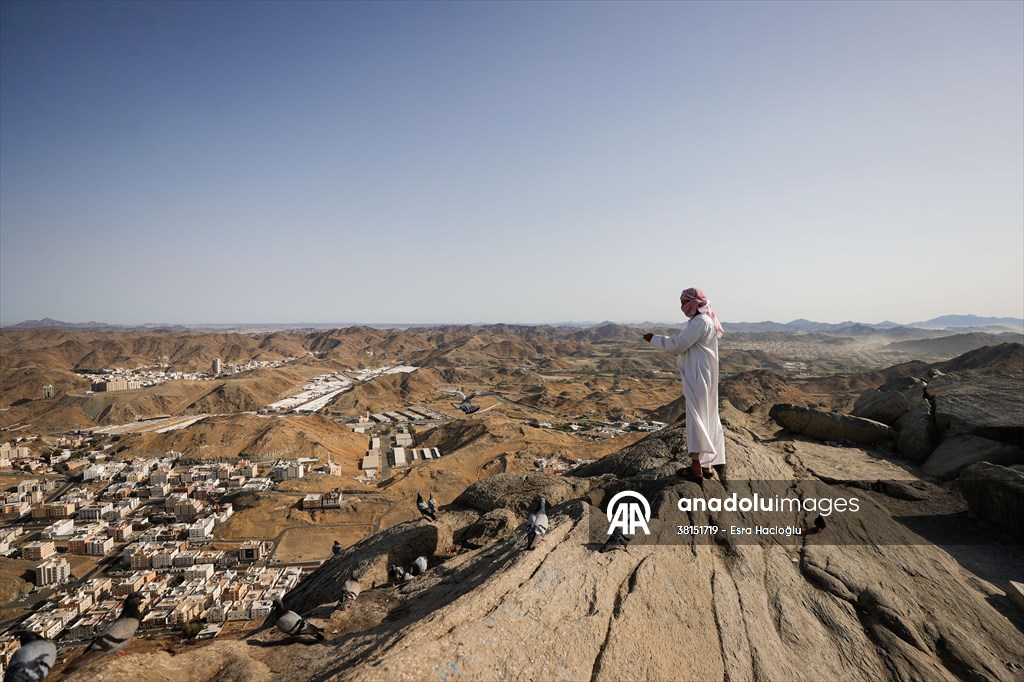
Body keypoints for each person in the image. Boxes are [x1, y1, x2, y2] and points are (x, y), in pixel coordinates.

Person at [643, 288, 725, 480]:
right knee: (706, 416)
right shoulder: (707, 320)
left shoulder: (700, 322)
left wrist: (654, 338)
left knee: (696, 417)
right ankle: (706, 466)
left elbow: (677, 345)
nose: (681, 307)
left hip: (698, 374)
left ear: (694, 302)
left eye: (684, 302)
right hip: (704, 373)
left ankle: (696, 468)